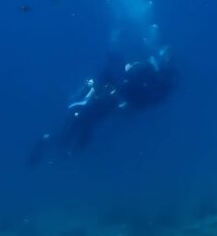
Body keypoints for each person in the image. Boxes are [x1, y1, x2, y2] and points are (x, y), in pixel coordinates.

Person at [29, 48, 176, 164]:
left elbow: (111, 100)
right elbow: (115, 101)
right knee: (75, 138)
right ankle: (57, 148)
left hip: (86, 111)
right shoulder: (113, 82)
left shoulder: (110, 80)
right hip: (88, 112)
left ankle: (54, 146)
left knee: (73, 136)